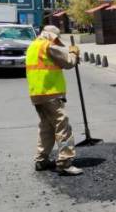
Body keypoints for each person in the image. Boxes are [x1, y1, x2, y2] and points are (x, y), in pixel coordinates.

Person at [26, 25, 83, 176]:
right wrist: (73, 53)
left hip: (37, 95)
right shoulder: (48, 46)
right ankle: (64, 162)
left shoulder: (32, 46)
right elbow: (68, 63)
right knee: (62, 125)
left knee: (47, 127)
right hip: (51, 95)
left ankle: (41, 160)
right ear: (50, 35)